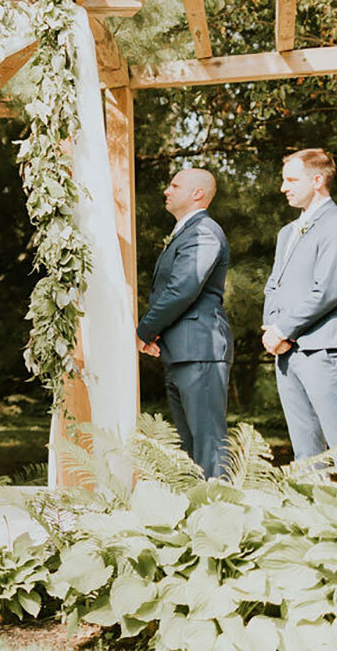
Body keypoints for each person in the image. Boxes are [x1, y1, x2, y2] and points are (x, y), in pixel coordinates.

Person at [136, 168, 232, 478]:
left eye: (174, 185)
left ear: (197, 194)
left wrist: (145, 330)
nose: (166, 190)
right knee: (191, 447)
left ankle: (221, 515)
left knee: (208, 444)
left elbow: (183, 288)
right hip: (182, 351)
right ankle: (198, 516)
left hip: (200, 349)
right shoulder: (186, 232)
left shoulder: (204, 231)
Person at [262, 149, 337, 461]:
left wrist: (283, 328)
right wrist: (271, 332)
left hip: (322, 350)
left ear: (317, 180)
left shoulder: (335, 224)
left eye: (292, 180)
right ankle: (311, 508)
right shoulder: (287, 232)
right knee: (305, 453)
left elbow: (328, 289)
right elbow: (273, 284)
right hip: (286, 351)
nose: (284, 187)